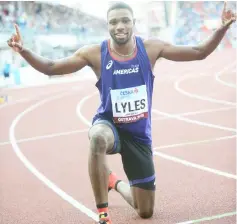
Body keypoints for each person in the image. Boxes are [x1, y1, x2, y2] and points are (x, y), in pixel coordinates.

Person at [7, 2, 236, 224]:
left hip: (138, 136)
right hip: (109, 125)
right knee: (97, 138)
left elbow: (199, 52)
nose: (120, 26)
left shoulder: (150, 48)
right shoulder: (95, 54)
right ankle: (103, 213)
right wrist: (24, 50)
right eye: (113, 22)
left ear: (133, 23)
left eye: (125, 21)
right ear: (108, 25)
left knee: (145, 211)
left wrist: (222, 27)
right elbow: (51, 67)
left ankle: (113, 182)